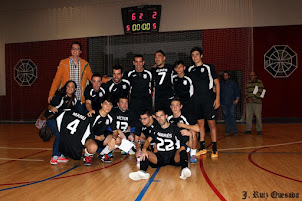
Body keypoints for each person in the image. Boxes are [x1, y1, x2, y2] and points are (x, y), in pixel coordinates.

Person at [129, 109, 191, 181]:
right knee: (145, 151)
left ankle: (184, 170)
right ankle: (142, 172)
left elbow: (186, 143)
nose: (160, 118)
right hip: (159, 157)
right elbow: (148, 140)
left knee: (182, 149)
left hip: (173, 156)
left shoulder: (174, 128)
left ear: (166, 116)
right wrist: (143, 149)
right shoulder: (155, 129)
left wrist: (190, 136)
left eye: (161, 116)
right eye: (157, 117)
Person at [56, 95, 114, 166]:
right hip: (89, 138)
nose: (108, 106)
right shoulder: (93, 115)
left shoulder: (111, 117)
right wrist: (97, 138)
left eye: (110, 104)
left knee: (117, 140)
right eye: (106, 103)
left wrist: (112, 139)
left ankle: (103, 154)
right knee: (93, 147)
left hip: (100, 138)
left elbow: (115, 130)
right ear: (101, 104)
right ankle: (87, 155)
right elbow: (85, 131)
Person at [188, 47, 220, 158]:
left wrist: (217, 98)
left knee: (211, 124)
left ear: (201, 56)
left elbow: (217, 83)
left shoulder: (209, 67)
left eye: (197, 54)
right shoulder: (190, 69)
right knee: (200, 124)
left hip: (208, 100)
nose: (195, 57)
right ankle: (202, 148)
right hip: (196, 101)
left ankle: (215, 148)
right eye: (193, 55)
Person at [48, 41, 93, 114]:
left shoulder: (85, 64)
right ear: (71, 50)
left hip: (79, 99)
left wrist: (107, 80)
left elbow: (92, 78)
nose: (75, 51)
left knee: (80, 120)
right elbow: (57, 80)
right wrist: (51, 94)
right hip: (66, 99)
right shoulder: (63, 63)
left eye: (77, 49)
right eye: (73, 48)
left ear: (80, 51)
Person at [47, 80, 78, 165]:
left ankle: (61, 155)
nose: (70, 88)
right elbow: (49, 106)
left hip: (62, 121)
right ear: (66, 88)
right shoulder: (60, 97)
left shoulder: (74, 100)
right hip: (52, 119)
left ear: (75, 89)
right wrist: (52, 108)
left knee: (65, 135)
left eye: (72, 87)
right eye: (68, 86)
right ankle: (54, 156)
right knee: (59, 134)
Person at [167, 97, 199, 164]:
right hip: (175, 143)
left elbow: (198, 128)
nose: (175, 107)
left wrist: (184, 126)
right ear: (170, 107)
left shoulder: (186, 116)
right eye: (173, 105)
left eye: (177, 105)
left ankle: (193, 154)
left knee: (193, 132)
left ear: (181, 106)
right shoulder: (169, 118)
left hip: (187, 141)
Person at [125, 54, 152, 121]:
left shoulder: (149, 73)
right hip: (134, 102)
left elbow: (152, 87)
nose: (138, 64)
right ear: (133, 63)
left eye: (140, 61)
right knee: (134, 121)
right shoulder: (129, 74)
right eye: (136, 62)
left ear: (143, 62)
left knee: (146, 122)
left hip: (146, 102)